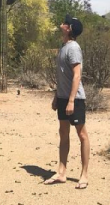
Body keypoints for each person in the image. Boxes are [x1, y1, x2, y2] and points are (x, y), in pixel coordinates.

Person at [43, 14, 90, 190]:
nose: (61, 24)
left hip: (75, 99)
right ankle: (61, 172)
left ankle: (84, 175)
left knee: (82, 135)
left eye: (65, 23)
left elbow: (77, 75)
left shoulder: (73, 48)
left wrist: (71, 100)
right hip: (63, 98)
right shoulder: (63, 47)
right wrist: (57, 96)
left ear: (69, 28)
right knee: (63, 133)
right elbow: (62, 75)